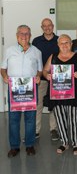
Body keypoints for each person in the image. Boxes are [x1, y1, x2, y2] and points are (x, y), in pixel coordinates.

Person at [1, 25, 43, 157]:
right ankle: (14, 146)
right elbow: (2, 68)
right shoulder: (9, 50)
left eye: (27, 34)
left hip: (30, 88)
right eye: (21, 33)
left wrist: (38, 77)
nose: (24, 36)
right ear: (17, 35)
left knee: (30, 118)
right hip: (14, 89)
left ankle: (30, 145)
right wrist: (5, 76)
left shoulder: (36, 51)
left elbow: (40, 70)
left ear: (30, 36)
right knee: (14, 119)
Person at [43, 34, 77, 156]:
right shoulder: (53, 57)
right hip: (57, 94)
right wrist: (47, 76)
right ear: (58, 45)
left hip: (73, 94)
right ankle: (64, 142)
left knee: (74, 120)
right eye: (61, 43)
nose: (64, 45)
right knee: (60, 119)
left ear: (71, 44)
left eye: (67, 42)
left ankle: (76, 143)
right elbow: (45, 70)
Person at [32, 18, 59, 141]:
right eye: (45, 26)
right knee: (38, 105)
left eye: (49, 25)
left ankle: (53, 129)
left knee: (54, 105)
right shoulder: (36, 41)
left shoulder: (59, 40)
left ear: (53, 26)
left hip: (56, 79)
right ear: (41, 27)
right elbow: (32, 60)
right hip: (40, 79)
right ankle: (36, 131)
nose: (47, 28)